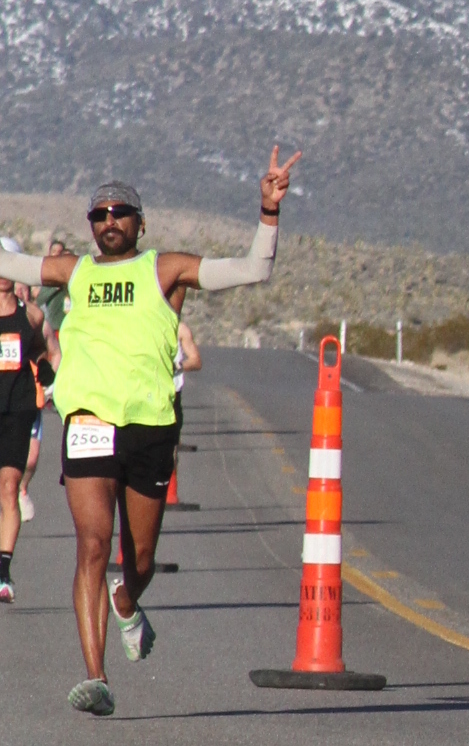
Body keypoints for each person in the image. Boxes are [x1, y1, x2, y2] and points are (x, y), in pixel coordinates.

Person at [24, 157, 297, 713]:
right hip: (88, 424)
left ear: (140, 223)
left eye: (120, 212)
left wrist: (268, 211)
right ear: (90, 225)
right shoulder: (75, 272)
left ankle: (127, 601)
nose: (109, 220)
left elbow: (253, 270)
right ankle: (96, 679)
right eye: (100, 213)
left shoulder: (165, 268)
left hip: (149, 426)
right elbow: (8, 262)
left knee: (141, 559)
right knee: (93, 545)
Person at [0, 266, 55, 603]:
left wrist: (43, 364)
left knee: (9, 487)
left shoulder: (31, 315)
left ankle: (3, 572)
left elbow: (38, 348)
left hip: (17, 409)